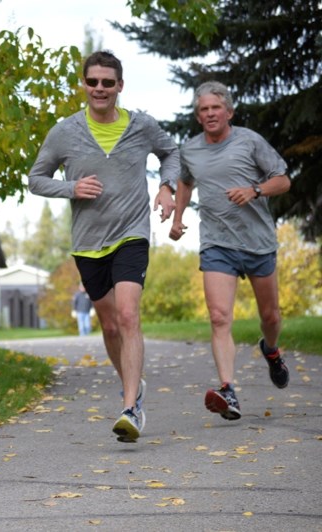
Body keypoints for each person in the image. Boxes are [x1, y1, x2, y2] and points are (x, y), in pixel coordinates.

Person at [28, 50, 179, 443]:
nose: (99, 89)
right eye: (92, 81)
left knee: (128, 315)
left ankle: (130, 407)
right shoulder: (64, 132)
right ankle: (133, 384)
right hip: (88, 242)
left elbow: (171, 153)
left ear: (120, 86)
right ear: (84, 84)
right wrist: (71, 188)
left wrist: (167, 187)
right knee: (109, 323)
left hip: (132, 232)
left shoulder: (142, 126)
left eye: (107, 83)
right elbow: (35, 179)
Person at [170, 81, 291, 421]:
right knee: (219, 317)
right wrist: (178, 218)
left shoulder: (249, 140)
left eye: (215, 108)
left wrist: (255, 190)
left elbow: (283, 179)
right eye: (203, 109)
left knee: (270, 316)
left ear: (229, 112)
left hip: (257, 243)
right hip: (216, 243)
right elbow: (184, 181)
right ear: (198, 116)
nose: (209, 114)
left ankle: (271, 350)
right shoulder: (190, 150)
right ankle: (228, 390)